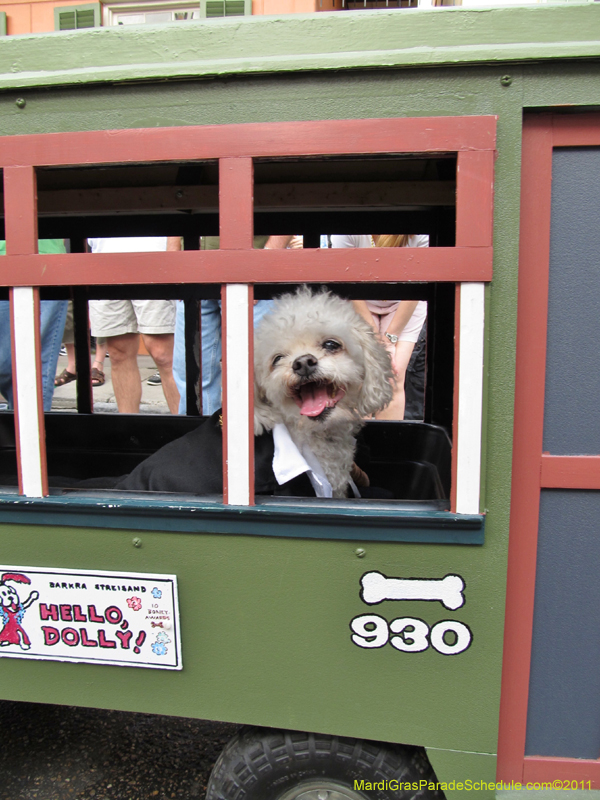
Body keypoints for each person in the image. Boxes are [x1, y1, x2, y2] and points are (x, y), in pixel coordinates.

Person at [173, 235, 292, 415]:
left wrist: (265, 260)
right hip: (193, 265)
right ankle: (203, 440)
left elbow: (287, 207)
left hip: (249, 263)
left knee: (263, 376)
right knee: (192, 379)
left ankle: (269, 442)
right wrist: (174, 259)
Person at [330, 234, 428, 420]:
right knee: (359, 374)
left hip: (404, 305)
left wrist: (391, 338)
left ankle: (388, 445)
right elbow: (346, 281)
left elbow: (417, 284)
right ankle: (357, 445)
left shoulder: (418, 234)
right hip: (358, 302)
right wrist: (374, 338)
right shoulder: (347, 231)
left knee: (393, 376)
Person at [88, 237, 181, 414]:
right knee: (117, 353)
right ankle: (128, 429)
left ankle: (186, 433)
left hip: (154, 255)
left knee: (164, 354)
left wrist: (173, 256)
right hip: (104, 257)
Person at [0, 239, 68, 412]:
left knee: (32, 367)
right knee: (10, 365)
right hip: (26, 259)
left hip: (44, 260)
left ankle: (32, 436)